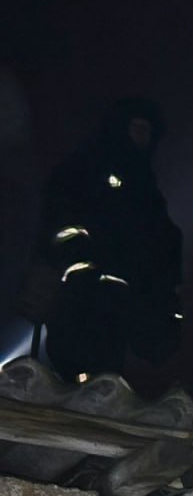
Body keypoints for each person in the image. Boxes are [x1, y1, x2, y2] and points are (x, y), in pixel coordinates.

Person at [24, 96, 182, 387]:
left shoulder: (146, 189)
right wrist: (81, 267)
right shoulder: (85, 168)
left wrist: (164, 302)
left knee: (106, 370)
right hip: (79, 293)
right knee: (77, 361)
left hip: (120, 300)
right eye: (136, 127)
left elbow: (161, 242)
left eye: (147, 131)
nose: (141, 137)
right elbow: (61, 219)